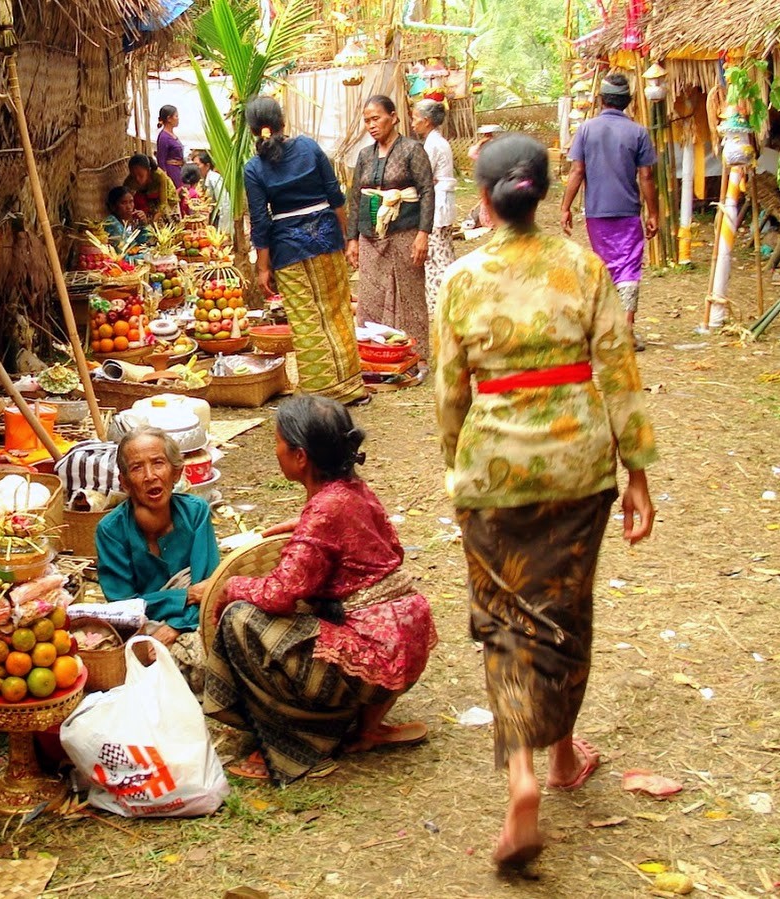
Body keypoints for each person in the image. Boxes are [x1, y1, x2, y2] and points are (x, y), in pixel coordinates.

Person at [434, 134, 658, 870]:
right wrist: (637, 474)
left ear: (485, 198)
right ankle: (561, 755)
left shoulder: (462, 279)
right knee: (563, 608)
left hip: (493, 471)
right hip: (577, 467)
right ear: (543, 191)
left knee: (505, 621)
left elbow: (449, 394)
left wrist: (456, 463)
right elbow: (619, 372)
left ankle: (522, 777)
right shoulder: (584, 266)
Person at [204, 395, 438, 783]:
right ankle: (368, 728)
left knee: (240, 620)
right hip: (407, 637)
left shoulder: (325, 510)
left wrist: (231, 586)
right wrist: (307, 530)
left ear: (300, 457)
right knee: (318, 609)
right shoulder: (354, 491)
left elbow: (280, 593)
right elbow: (391, 548)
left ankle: (297, 746)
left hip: (374, 656)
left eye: (278, 442)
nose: (274, 450)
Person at [244, 96, 367, 405]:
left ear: (252, 130)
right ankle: (351, 388)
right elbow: (336, 197)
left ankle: (318, 394)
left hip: (288, 250)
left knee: (306, 321)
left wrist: (262, 267)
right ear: (282, 121)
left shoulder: (254, 168)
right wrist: (344, 235)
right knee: (337, 311)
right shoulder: (309, 147)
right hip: (326, 238)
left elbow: (261, 222)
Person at [95, 428, 219, 687]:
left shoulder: (195, 513)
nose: (150, 476)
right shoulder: (111, 530)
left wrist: (176, 625)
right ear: (125, 482)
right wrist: (186, 596)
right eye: (137, 468)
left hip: (195, 617)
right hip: (141, 626)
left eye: (158, 463)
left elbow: (209, 587)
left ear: (176, 473)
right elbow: (123, 606)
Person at [561, 72, 660, 351]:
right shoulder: (638, 132)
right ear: (627, 102)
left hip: (596, 213)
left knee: (604, 266)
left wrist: (565, 207)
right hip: (628, 210)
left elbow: (576, 171)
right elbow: (647, 177)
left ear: (601, 99)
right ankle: (625, 330)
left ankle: (604, 329)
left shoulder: (586, 130)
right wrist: (653, 213)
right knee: (628, 267)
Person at [346, 94, 435, 354]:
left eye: (376, 118)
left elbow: (427, 191)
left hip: (404, 231)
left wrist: (423, 234)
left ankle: (415, 354)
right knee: (371, 293)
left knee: (409, 291)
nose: (371, 125)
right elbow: (355, 198)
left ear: (393, 117)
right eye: (366, 121)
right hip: (370, 235)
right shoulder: (364, 155)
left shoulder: (411, 150)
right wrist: (352, 239)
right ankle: (375, 353)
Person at [411, 99, 457, 319]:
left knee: (436, 255)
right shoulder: (437, 141)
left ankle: (440, 303)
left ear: (426, 121)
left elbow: (423, 175)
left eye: (415, 119)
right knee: (443, 251)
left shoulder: (433, 144)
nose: (413, 124)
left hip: (438, 202)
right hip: (442, 200)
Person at [462, 125, 503, 230]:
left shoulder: (498, 146)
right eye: (486, 134)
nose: (487, 136)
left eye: (488, 134)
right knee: (486, 199)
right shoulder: (482, 149)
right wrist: (481, 142)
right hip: (486, 176)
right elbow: (471, 154)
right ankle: (488, 220)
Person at [125, 153, 180, 222]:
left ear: (149, 171)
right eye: (134, 175)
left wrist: (154, 222)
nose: (137, 179)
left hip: (167, 199)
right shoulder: (129, 181)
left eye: (141, 175)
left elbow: (163, 204)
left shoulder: (160, 176)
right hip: (149, 200)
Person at [102, 186, 150, 255]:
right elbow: (122, 256)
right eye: (123, 203)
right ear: (113, 206)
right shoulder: (112, 223)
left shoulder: (128, 220)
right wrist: (147, 256)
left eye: (131, 202)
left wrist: (143, 224)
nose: (129, 207)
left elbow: (141, 243)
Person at [195, 150, 232, 235]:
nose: (195, 168)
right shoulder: (202, 180)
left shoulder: (214, 179)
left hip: (220, 220)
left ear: (207, 165)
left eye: (197, 165)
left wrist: (223, 231)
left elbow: (224, 204)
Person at [156, 105, 186, 190]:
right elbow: (161, 159)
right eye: (176, 116)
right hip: (171, 172)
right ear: (169, 119)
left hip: (178, 169)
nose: (178, 119)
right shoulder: (164, 137)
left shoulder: (172, 135)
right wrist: (165, 179)